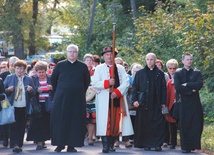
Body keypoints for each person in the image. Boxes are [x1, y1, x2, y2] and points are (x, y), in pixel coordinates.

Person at [91, 46, 134, 153]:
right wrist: (107, 83)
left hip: (116, 99)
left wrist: (117, 92)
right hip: (104, 99)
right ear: (103, 56)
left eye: (111, 54)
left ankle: (111, 144)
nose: (109, 57)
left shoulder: (120, 68)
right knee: (105, 122)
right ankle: (105, 144)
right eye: (107, 55)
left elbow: (125, 82)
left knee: (115, 121)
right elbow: (95, 83)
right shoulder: (99, 68)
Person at [51, 44, 90, 152]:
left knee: (75, 121)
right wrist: (59, 92)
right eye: (70, 51)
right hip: (62, 99)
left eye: (74, 52)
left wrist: (79, 91)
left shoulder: (82, 66)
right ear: (66, 53)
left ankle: (72, 145)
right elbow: (53, 80)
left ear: (77, 53)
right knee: (61, 120)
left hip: (77, 99)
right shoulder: (60, 65)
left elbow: (87, 82)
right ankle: (60, 144)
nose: (72, 53)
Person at [132, 53, 166, 151]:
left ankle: (157, 144)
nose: (149, 61)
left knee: (157, 124)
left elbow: (163, 89)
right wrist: (135, 100)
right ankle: (146, 143)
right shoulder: (140, 73)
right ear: (145, 60)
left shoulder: (160, 74)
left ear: (155, 60)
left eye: (151, 59)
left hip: (156, 103)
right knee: (145, 123)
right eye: (148, 59)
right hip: (144, 103)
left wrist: (163, 102)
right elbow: (135, 88)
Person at [4, 60, 36, 153]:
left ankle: (19, 144)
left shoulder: (28, 79)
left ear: (24, 69)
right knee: (13, 125)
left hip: (23, 105)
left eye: (21, 68)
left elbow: (34, 93)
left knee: (22, 126)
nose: (19, 70)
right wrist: (8, 90)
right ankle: (15, 144)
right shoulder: (9, 78)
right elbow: (3, 91)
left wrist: (30, 90)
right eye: (17, 68)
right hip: (13, 105)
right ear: (14, 69)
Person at [174, 53, 203, 153]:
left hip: (194, 102)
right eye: (187, 59)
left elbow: (199, 84)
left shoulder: (196, 72)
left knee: (195, 123)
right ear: (182, 61)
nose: (189, 61)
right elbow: (178, 87)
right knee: (184, 124)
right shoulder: (178, 73)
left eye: (191, 59)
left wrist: (187, 84)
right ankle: (185, 146)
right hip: (183, 102)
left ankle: (193, 145)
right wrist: (191, 90)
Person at [26, 61, 53, 150]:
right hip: (37, 104)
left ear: (46, 71)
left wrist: (51, 88)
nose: (41, 74)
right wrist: (36, 90)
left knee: (46, 122)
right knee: (37, 123)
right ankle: (39, 142)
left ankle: (43, 140)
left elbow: (56, 89)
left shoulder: (50, 78)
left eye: (43, 72)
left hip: (48, 103)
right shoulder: (32, 79)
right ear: (36, 72)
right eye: (39, 72)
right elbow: (30, 91)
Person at [0, 56, 19, 148]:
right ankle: (5, 137)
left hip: (5, 101)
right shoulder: (4, 75)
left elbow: (3, 94)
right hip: (5, 98)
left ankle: (12, 140)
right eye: (12, 64)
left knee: (7, 117)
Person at [83, 54, 96, 146]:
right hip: (82, 97)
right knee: (84, 118)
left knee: (92, 118)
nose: (89, 62)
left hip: (94, 98)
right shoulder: (80, 70)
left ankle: (90, 137)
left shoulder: (96, 71)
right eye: (87, 60)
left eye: (90, 60)